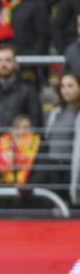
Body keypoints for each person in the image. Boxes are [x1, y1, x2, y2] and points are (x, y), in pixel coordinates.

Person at [0, 43, 43, 143]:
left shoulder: (28, 90)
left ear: (15, 63)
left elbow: (36, 122)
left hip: (18, 151)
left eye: (8, 60)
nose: (3, 64)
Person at [44, 73, 80, 203]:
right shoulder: (56, 112)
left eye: (70, 86)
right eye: (63, 86)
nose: (66, 90)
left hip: (72, 171)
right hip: (54, 169)